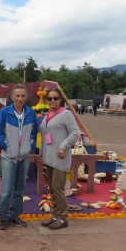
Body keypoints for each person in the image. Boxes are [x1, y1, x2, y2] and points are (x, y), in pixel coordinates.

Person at [0, 83, 39, 230]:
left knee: (19, 189)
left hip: (23, 157)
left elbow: (34, 132)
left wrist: (29, 147)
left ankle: (14, 215)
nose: (20, 98)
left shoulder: (30, 113)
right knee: (6, 190)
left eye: (22, 96)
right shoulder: (5, 112)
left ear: (26, 97)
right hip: (8, 157)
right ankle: (3, 218)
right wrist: (6, 146)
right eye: (17, 96)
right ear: (12, 97)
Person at [39, 88, 80, 230]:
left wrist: (63, 146)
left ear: (61, 99)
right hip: (49, 157)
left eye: (55, 98)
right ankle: (55, 215)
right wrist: (41, 153)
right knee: (52, 188)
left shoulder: (66, 114)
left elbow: (75, 133)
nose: (52, 101)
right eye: (49, 98)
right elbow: (45, 136)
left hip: (60, 157)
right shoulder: (47, 115)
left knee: (58, 188)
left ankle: (63, 218)